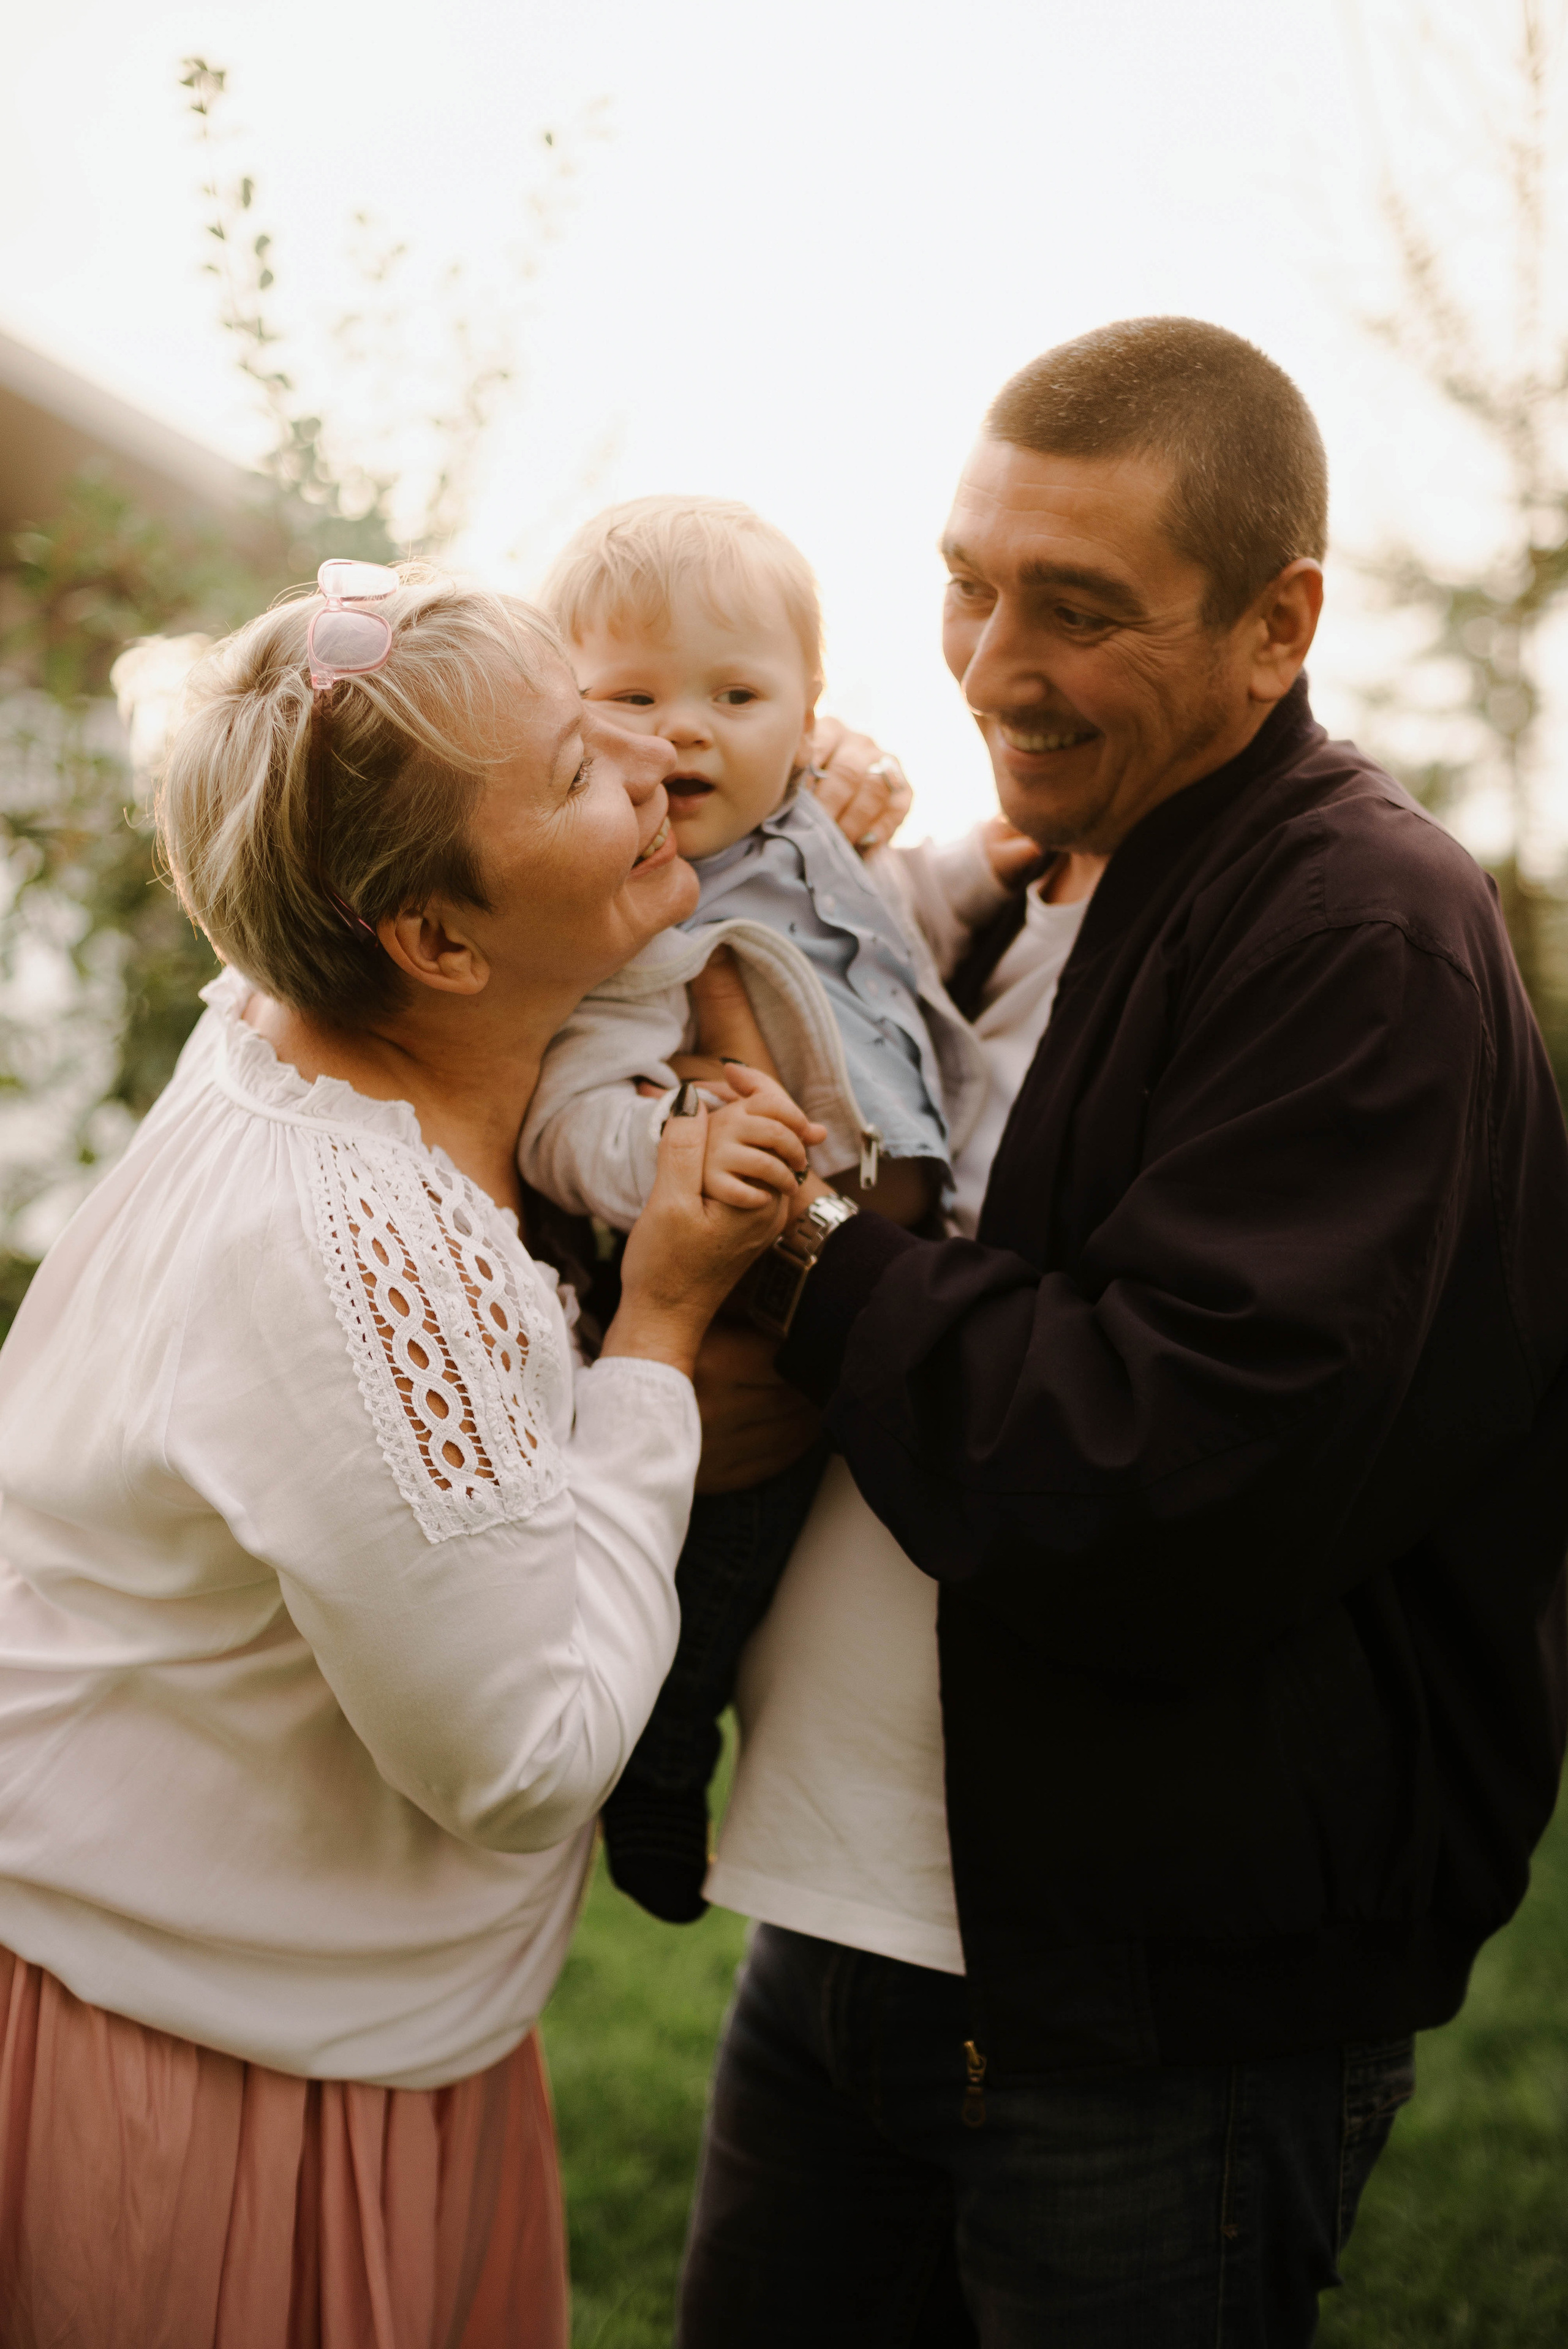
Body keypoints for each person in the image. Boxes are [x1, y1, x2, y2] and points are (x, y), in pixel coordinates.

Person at [677, 318, 1568, 2348]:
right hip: (841, 1937)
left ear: (1280, 623)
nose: (994, 660)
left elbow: (1142, 1458)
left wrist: (790, 1244)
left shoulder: (1356, 934)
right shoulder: (1025, 883)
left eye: (1076, 609)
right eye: (972, 584)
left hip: (1139, 2013)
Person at [0, 558, 839, 2347]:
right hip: (218, 2085)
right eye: (570, 768)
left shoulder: (269, 1029)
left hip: (275, 2018)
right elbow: (524, 1754)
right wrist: (661, 1332)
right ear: (439, 944)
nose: (644, 757)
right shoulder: (363, 1252)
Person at [519, 496, 1030, 1922]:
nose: (684, 731)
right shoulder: (633, 907)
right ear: (566, 711)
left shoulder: (822, 841)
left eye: (734, 696)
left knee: (815, 1539)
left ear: (808, 713)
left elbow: (882, 953)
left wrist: (974, 874)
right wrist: (674, 1142)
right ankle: (657, 1770)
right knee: (725, 1539)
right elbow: (567, 1120)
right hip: (748, 1265)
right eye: (632, 696)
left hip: (880, 1260)